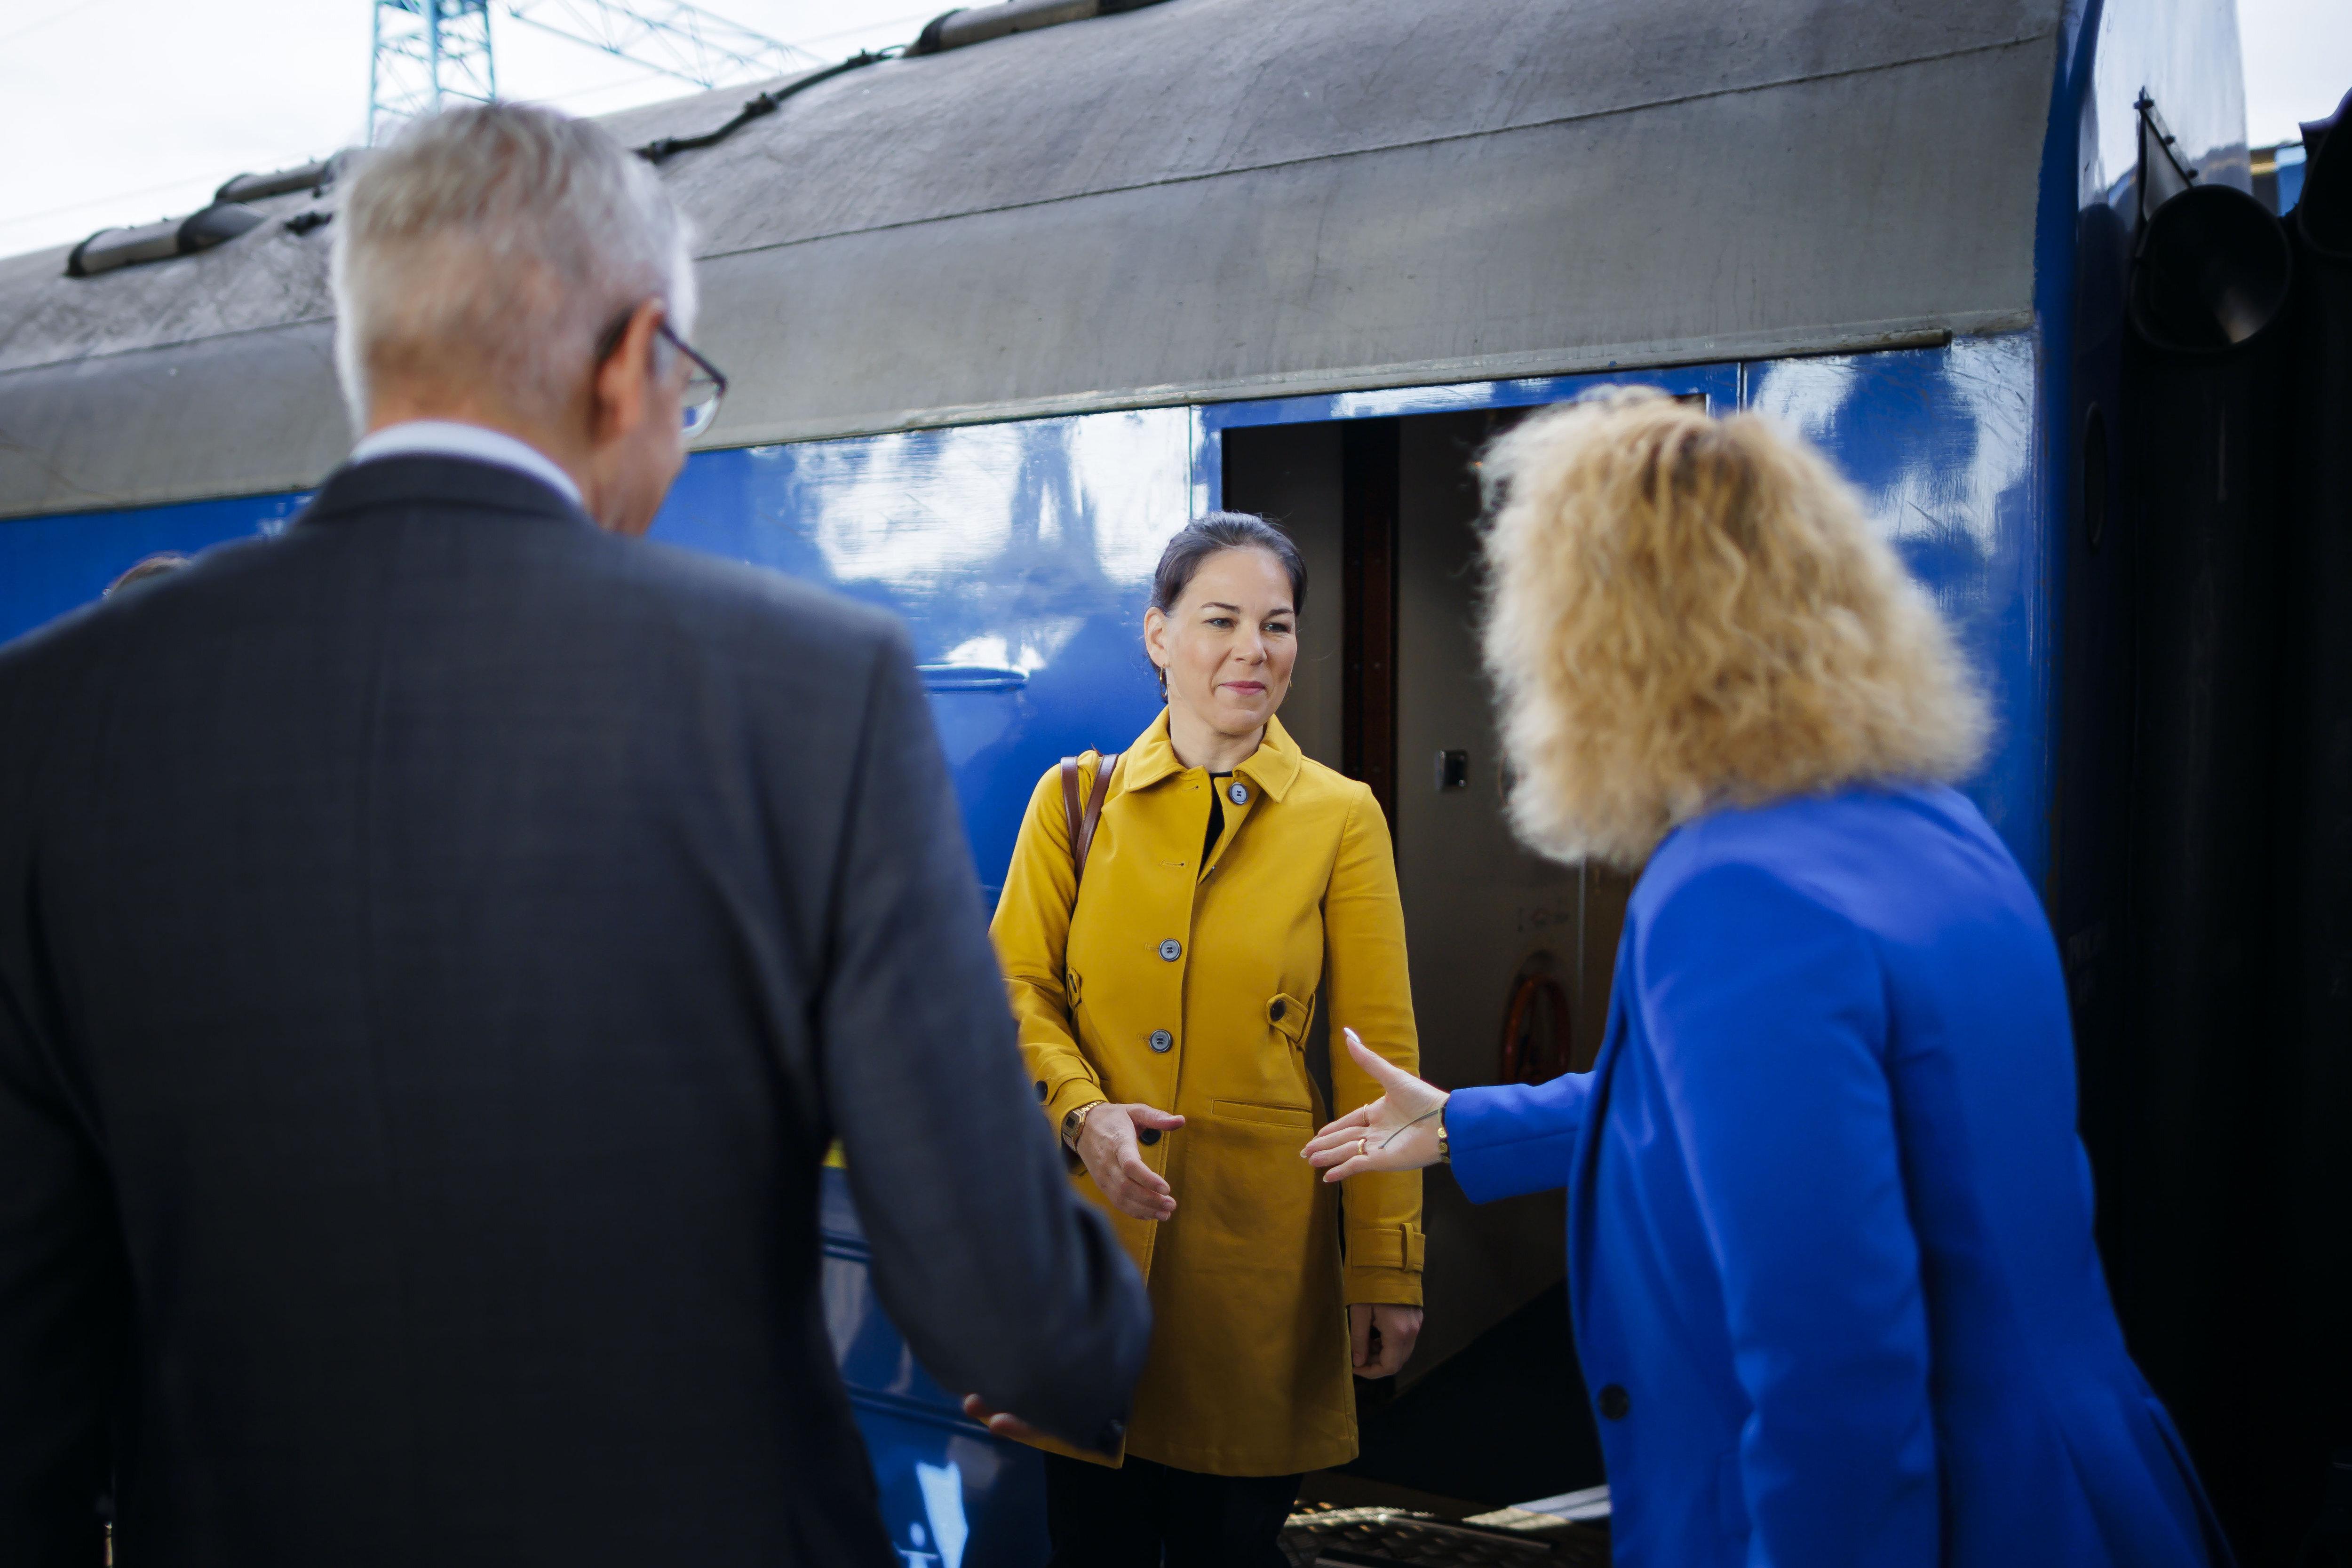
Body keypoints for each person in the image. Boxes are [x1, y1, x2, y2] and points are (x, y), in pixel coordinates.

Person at [0, 103, 1148, 1567]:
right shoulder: (816, 690)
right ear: (635, 362)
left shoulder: (45, 722)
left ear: (372, 354)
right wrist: (1112, 1326)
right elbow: (1014, 1309)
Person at [1303, 390, 2228, 1568]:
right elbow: (1803, 1111)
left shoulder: (1732, 890)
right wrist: (1462, 1126)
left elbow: (1834, 1374)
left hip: (1936, 1515)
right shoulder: (1934, 827)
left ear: (1607, 642)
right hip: (2073, 1487)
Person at [981, 513, 1424, 1567]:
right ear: (1157, 635)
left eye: (1276, 625)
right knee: (1092, 1545)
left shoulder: (1340, 815)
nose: (1250, 649)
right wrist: (1082, 1115)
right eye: (1218, 618)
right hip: (1090, 1264)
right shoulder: (1073, 799)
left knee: (1234, 1547)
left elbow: (1385, 1062)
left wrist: (1386, 1265)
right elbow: (1009, 991)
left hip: (1257, 1259)